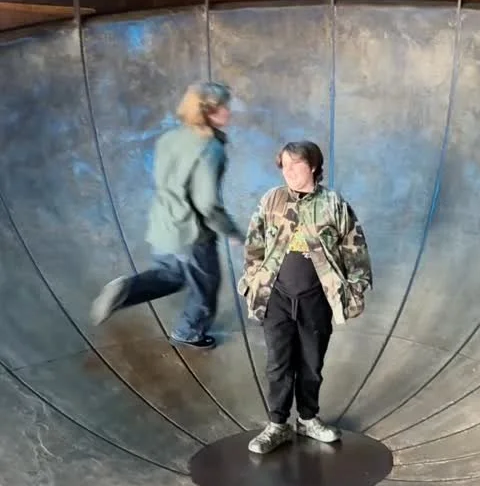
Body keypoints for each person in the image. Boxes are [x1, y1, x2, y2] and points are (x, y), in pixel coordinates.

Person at [238, 141, 372, 454]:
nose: (289, 172)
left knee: (312, 363)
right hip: (276, 296)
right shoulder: (272, 199)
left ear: (312, 166)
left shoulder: (333, 204)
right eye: (284, 166)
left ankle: (308, 419)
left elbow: (354, 248)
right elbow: (254, 244)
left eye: (296, 165)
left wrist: (355, 288)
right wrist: (253, 280)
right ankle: (277, 425)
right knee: (278, 364)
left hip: (316, 298)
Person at [91, 81, 242, 348]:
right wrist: (231, 231)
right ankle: (189, 332)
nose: (229, 111)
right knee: (205, 286)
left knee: (171, 275)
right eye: (224, 107)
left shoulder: (170, 138)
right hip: (192, 233)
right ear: (209, 111)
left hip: (163, 223)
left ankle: (127, 290)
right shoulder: (211, 149)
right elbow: (207, 203)